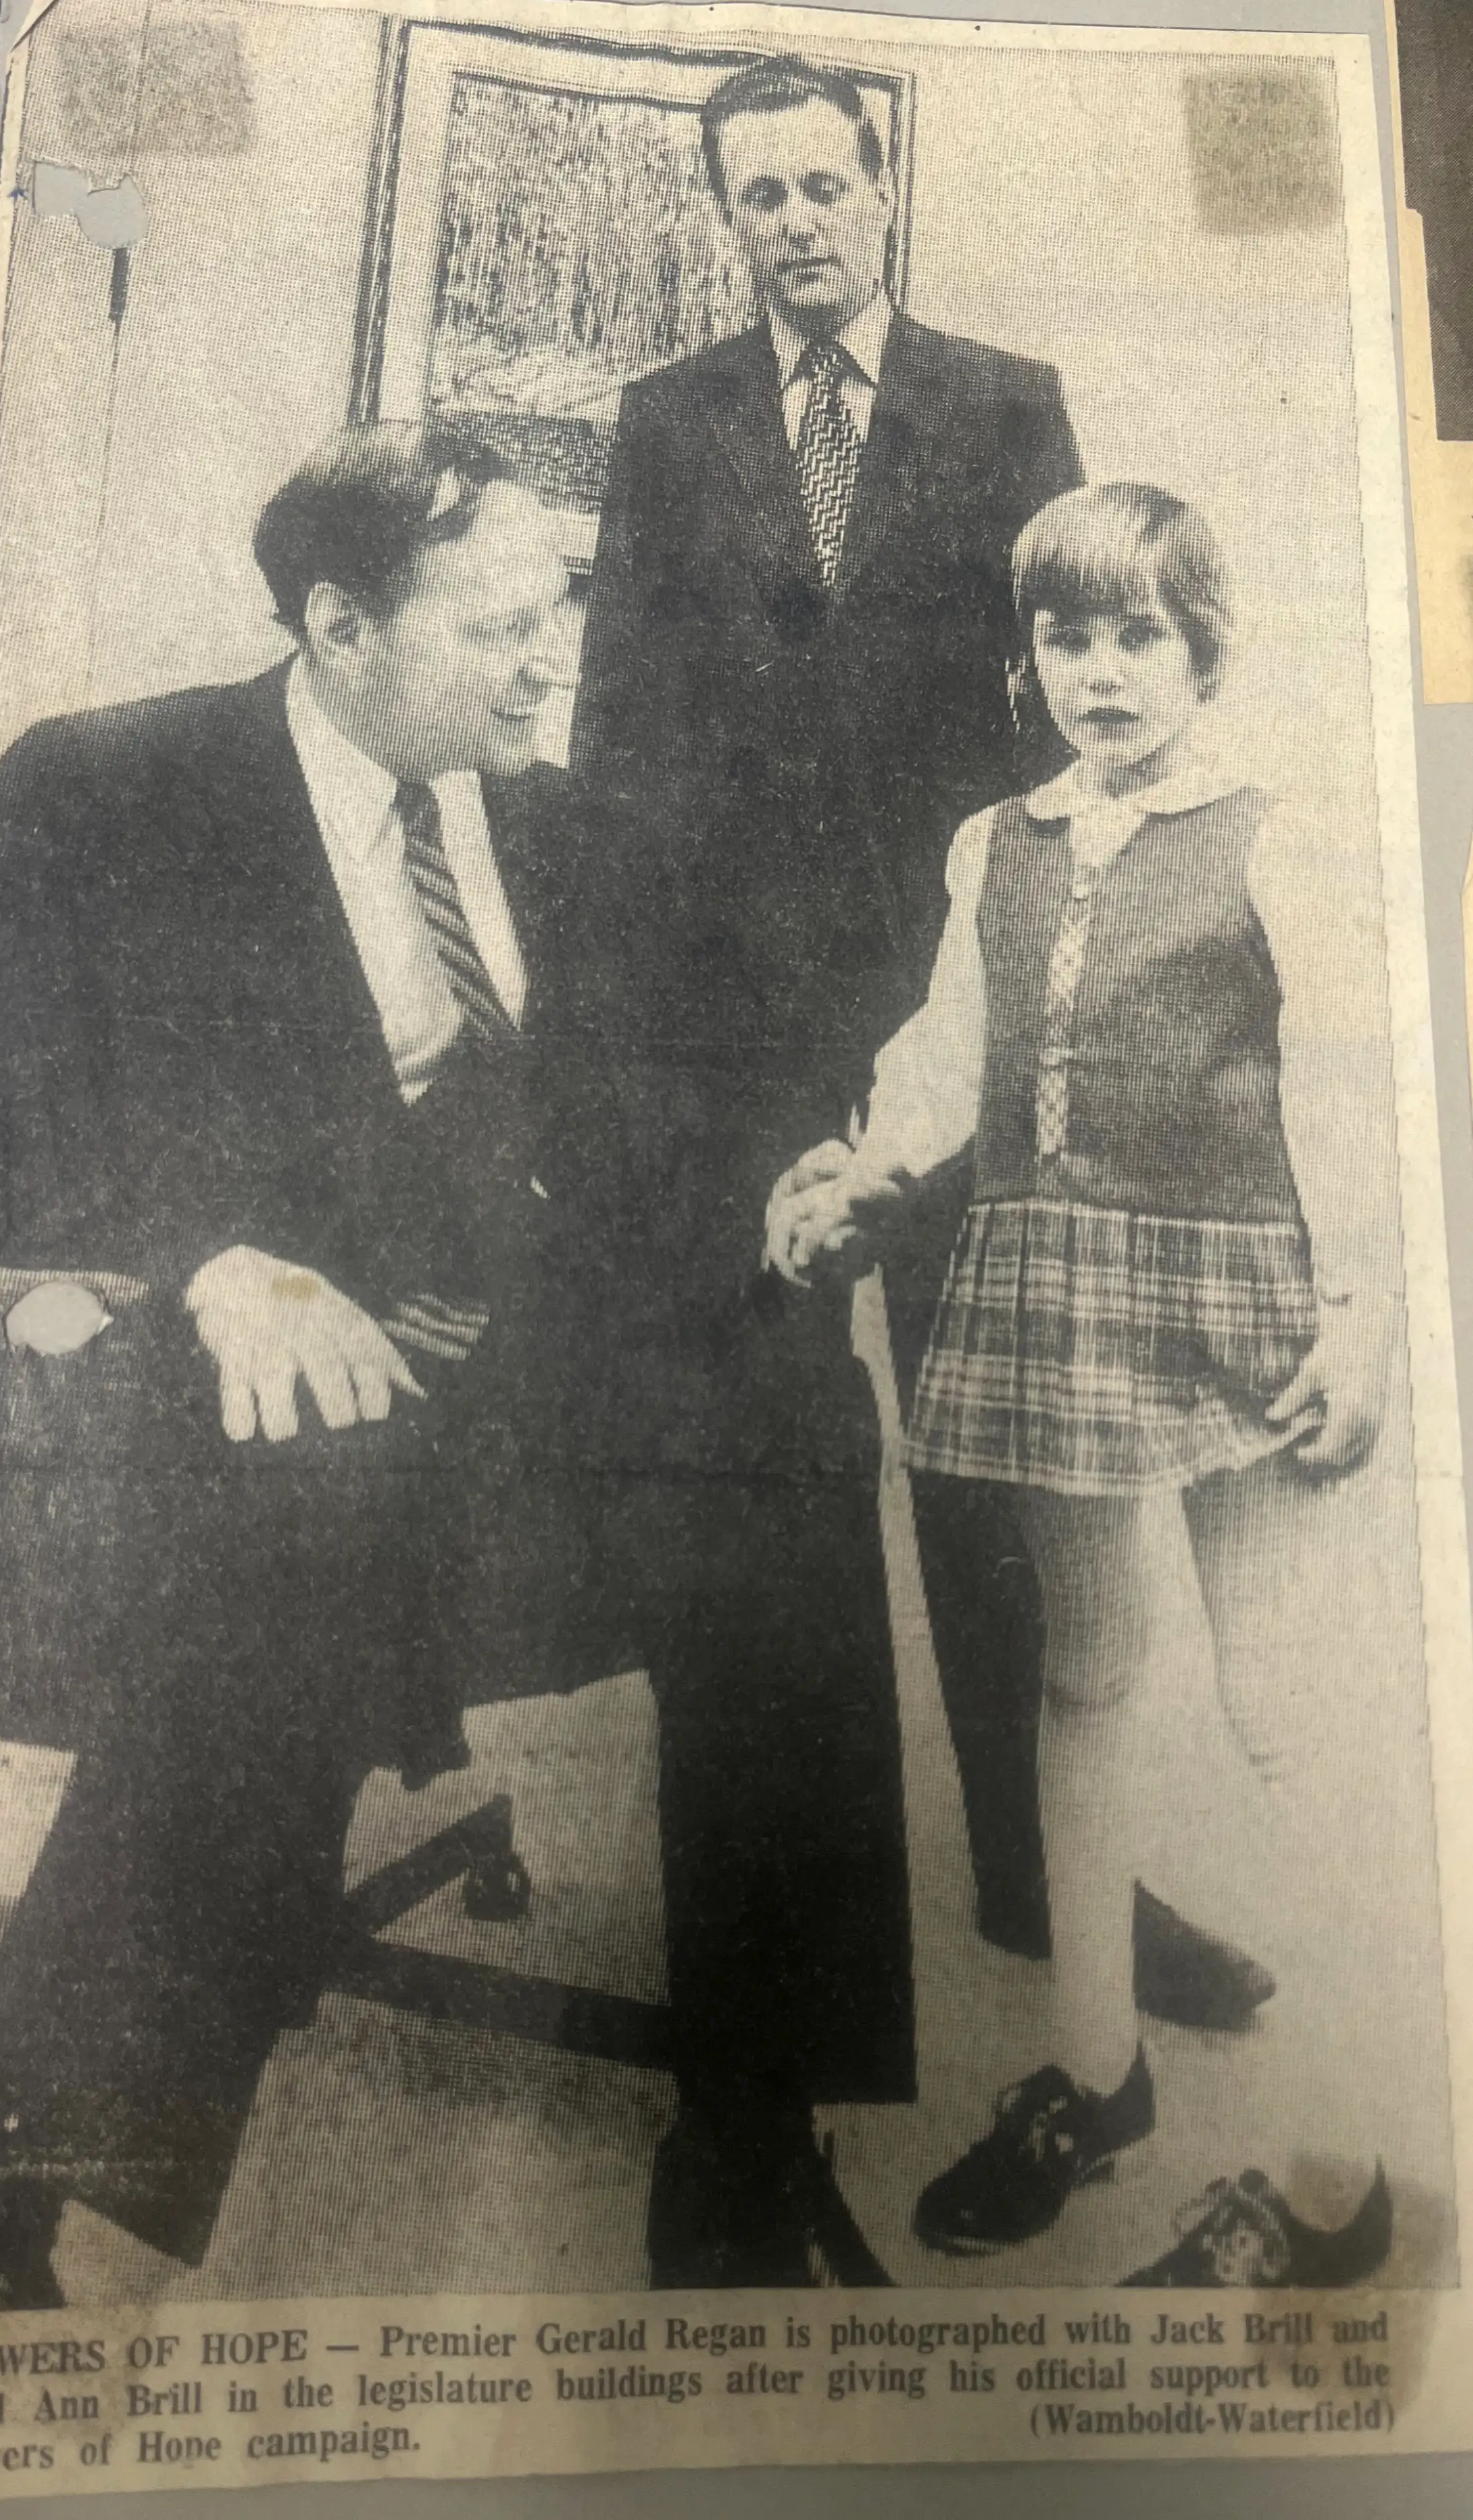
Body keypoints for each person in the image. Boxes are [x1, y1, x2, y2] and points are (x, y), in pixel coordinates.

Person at [569, 53, 1250, 2283]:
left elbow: (1056, 698)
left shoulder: (1002, 395)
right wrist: (663, 1063)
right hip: (736, 1049)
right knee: (770, 1512)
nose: (788, 222)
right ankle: (761, 2062)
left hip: (971, 1004)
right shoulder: (667, 426)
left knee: (999, 1474)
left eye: (818, 184)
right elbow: (620, 740)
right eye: (749, 194)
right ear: (723, 218)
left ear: (881, 194)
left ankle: (1058, 1874)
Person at [0, 421, 594, 2314]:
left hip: (500, 1352)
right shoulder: (112, 787)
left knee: (796, 1450)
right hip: (205, 1367)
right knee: (296, 1534)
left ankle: (765, 2126)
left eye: (562, 609)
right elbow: (6, 1115)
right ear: (340, 623)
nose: (549, 661)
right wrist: (221, 1260)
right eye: (500, 624)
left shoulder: (541, 807)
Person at [768, 481, 1398, 2284]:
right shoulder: (1001, 843)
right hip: (1052, 1288)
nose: (1098, 671)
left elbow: (1345, 1083)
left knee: (1278, 1700)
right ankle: (1092, 2075)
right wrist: (867, 1166)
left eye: (1137, 634)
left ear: (1203, 649)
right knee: (1086, 1678)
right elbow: (943, 1060)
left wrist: (1353, 1313)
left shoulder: (1270, 832)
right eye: (1065, 634)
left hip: (1251, 1294)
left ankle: (1335, 2173)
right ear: (1027, 653)